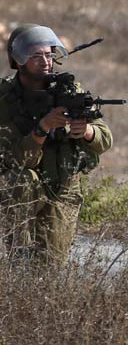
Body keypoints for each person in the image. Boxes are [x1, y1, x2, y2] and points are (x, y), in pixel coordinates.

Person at [0, 24, 113, 263]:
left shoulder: (68, 90)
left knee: (49, 269)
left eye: (49, 54)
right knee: (21, 181)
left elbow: (105, 140)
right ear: (19, 60)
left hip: (63, 187)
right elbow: (14, 159)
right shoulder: (6, 99)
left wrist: (88, 131)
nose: (45, 61)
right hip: (22, 186)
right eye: (36, 55)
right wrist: (42, 129)